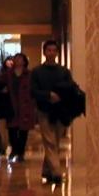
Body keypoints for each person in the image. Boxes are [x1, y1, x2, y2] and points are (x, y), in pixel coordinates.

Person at [31, 39, 72, 183]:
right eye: (49, 50)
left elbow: (70, 88)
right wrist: (48, 95)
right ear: (44, 52)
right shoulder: (37, 72)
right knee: (50, 142)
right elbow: (33, 91)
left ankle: (46, 170)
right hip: (44, 110)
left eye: (54, 50)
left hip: (60, 111)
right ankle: (56, 173)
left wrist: (61, 96)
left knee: (55, 142)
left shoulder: (64, 71)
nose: (51, 53)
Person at [6, 52, 36, 161]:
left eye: (20, 59)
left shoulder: (29, 74)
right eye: (16, 58)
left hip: (26, 105)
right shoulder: (8, 73)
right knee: (12, 130)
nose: (18, 61)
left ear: (24, 61)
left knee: (24, 131)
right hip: (12, 104)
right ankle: (14, 149)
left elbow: (33, 88)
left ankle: (21, 152)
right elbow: (0, 83)